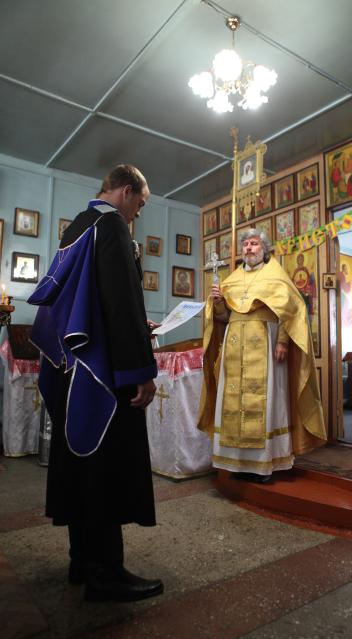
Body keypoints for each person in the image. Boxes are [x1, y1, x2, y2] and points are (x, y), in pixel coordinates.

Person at [27, 164, 164, 603]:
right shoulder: (112, 227)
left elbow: (85, 302)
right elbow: (121, 303)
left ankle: (81, 560)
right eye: (139, 204)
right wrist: (141, 372)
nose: (137, 214)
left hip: (71, 368)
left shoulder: (77, 228)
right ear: (126, 192)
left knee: (79, 466)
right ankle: (106, 573)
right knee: (106, 467)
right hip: (103, 375)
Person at [198, 229, 326, 482]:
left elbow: (290, 312)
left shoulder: (276, 276)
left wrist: (282, 342)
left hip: (265, 343)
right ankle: (235, 463)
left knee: (267, 400)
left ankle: (263, 465)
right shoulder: (231, 279)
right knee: (232, 400)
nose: (248, 248)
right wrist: (219, 303)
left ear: (264, 249)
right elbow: (223, 319)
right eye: (245, 244)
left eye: (254, 243)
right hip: (234, 344)